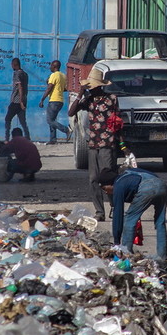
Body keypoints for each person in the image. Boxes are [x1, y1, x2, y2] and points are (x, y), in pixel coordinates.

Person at [69, 67, 119, 221]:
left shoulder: (111, 99)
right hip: (93, 144)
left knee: (108, 178)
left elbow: (117, 121)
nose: (90, 89)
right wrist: (80, 95)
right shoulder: (88, 100)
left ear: (99, 86)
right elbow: (71, 112)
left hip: (108, 143)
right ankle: (100, 212)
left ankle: (114, 207)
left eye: (91, 86)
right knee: (93, 179)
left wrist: (122, 143)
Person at [100, 167, 167, 271]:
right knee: (160, 222)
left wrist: (116, 242)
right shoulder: (128, 173)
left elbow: (118, 214)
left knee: (129, 220)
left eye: (104, 189)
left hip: (147, 188)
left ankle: (126, 254)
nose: (106, 193)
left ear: (110, 184)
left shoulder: (119, 185)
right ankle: (162, 257)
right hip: (162, 185)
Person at [38, 60, 72, 145]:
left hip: (54, 100)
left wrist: (42, 99)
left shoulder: (54, 75)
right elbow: (64, 89)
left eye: (51, 66)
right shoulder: (63, 76)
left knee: (49, 120)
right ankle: (53, 139)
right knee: (52, 120)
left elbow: (49, 88)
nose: (50, 67)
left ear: (55, 66)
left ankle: (66, 130)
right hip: (60, 101)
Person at [5, 58, 30, 139]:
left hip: (16, 101)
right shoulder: (25, 74)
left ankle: (7, 138)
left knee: (8, 119)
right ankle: (27, 137)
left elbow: (20, 87)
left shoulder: (17, 74)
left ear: (14, 65)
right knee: (23, 122)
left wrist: (21, 101)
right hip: (23, 100)